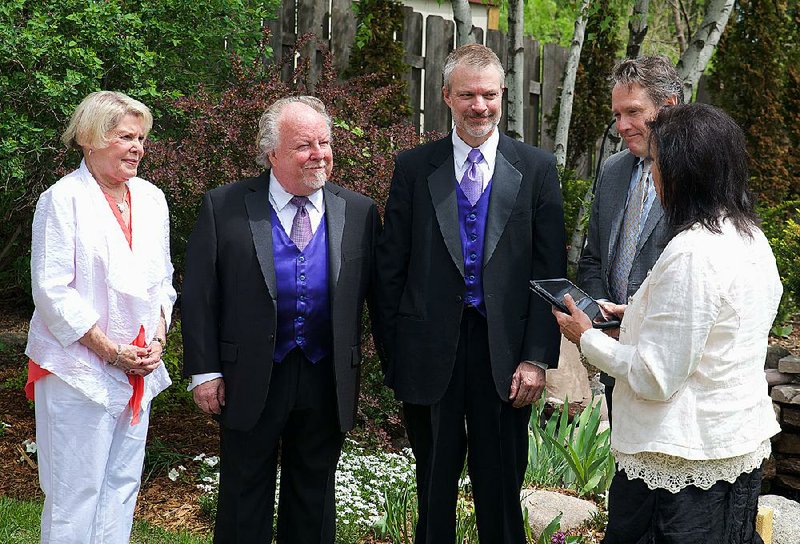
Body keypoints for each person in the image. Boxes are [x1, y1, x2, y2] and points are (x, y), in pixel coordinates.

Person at [556, 103, 782, 544]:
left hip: (679, 461)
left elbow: (655, 377)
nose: (651, 172)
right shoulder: (750, 237)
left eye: (657, 161)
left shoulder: (694, 252)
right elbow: (715, 333)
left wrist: (587, 339)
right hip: (731, 445)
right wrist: (635, 317)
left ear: (684, 171)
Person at [377, 44, 566, 543]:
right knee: (432, 485)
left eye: (488, 95)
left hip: (504, 356)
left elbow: (550, 273)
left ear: (503, 95)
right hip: (429, 352)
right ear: (446, 96)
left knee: (501, 485)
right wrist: (394, 354)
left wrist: (536, 358)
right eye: (467, 95)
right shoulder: (415, 167)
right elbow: (388, 270)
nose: (479, 106)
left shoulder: (537, 168)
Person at [181, 96, 380, 543]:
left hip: (324, 376)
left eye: (325, 142)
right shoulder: (225, 205)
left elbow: (377, 300)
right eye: (304, 145)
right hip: (248, 375)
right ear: (271, 152)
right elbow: (199, 296)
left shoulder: (360, 211)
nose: (319, 154)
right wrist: (205, 371)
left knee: (313, 501)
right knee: (242, 498)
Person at [25, 91, 176, 543]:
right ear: (90, 138)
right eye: (125, 136)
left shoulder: (151, 198)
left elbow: (164, 281)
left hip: (137, 371)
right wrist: (109, 350)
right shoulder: (62, 199)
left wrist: (159, 342)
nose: (137, 147)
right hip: (77, 369)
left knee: (122, 487)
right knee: (75, 493)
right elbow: (51, 290)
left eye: (142, 138)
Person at [576, 56, 682, 420]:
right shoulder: (612, 170)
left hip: (669, 363)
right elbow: (593, 258)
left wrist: (637, 320)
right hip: (614, 354)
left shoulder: (697, 175)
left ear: (668, 107)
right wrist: (602, 311)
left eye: (633, 112)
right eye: (617, 114)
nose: (621, 125)